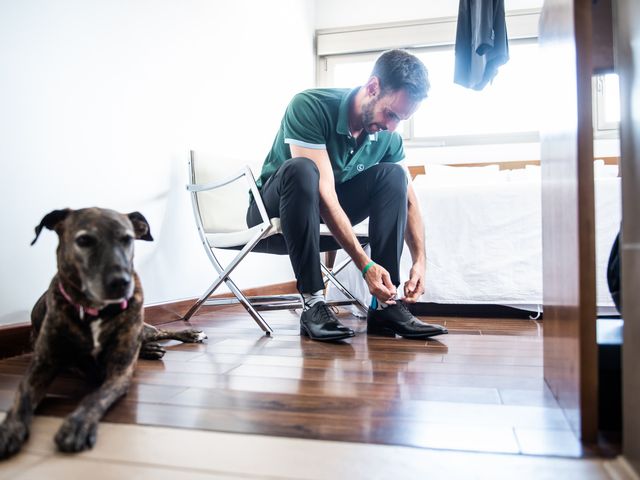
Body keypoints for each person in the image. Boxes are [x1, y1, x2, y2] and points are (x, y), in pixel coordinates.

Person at [246, 49, 448, 342]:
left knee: (394, 176)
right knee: (303, 170)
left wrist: (420, 261)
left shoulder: (389, 135)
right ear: (372, 88)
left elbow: (409, 201)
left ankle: (385, 304)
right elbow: (323, 194)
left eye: (400, 119)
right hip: (273, 209)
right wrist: (364, 265)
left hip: (323, 208)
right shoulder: (310, 105)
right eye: (390, 114)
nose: (391, 127)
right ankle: (314, 304)